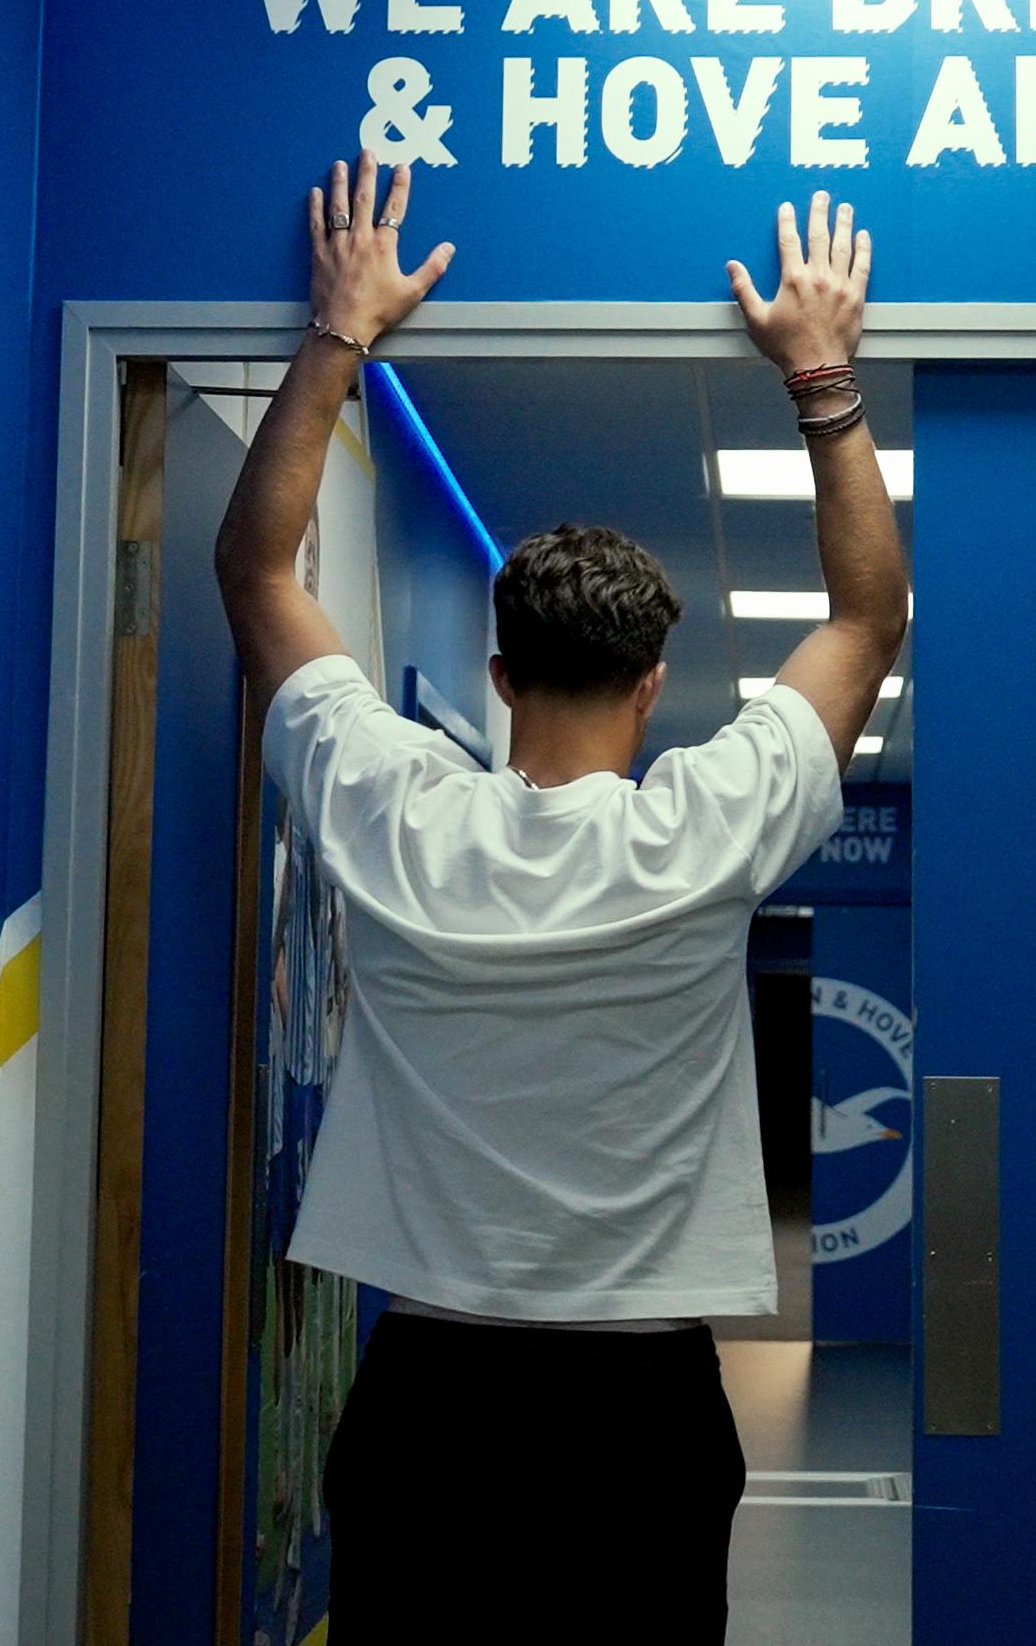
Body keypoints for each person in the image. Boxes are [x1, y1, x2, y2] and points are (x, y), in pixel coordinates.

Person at [216, 152, 905, 1638]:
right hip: (639, 1408)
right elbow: (868, 615)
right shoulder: (707, 829)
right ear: (656, 686)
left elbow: (256, 568)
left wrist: (340, 330)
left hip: (432, 1395)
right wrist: (823, 375)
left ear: (497, 675)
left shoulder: (394, 812)